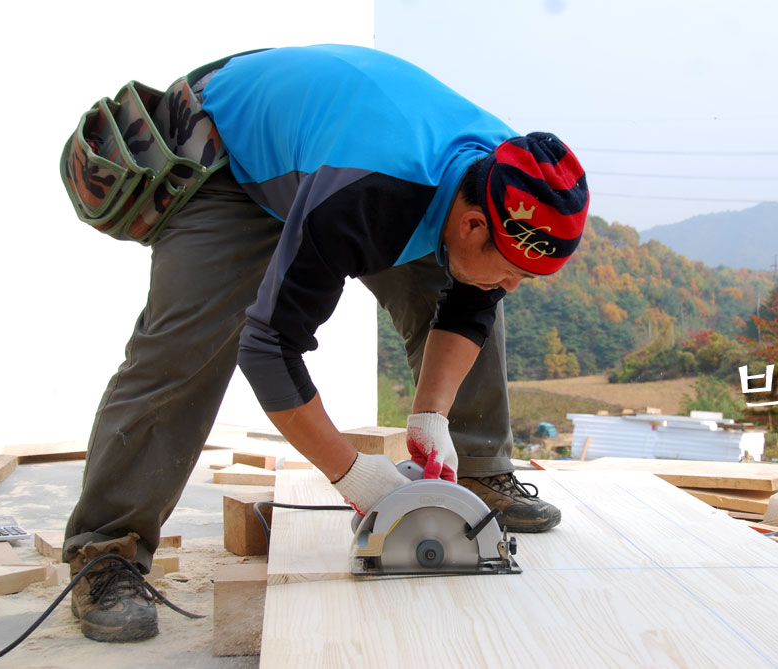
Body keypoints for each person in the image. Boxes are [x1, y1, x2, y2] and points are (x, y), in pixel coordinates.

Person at [60, 44, 589, 642]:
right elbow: (269, 349)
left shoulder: (513, 181)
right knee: (184, 347)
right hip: (235, 155)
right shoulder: (366, 194)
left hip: (348, 151)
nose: (515, 285)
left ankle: (473, 473)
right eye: (516, 270)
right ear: (472, 224)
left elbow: (474, 301)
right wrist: (352, 474)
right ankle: (106, 551)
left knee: (473, 278)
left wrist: (431, 416)